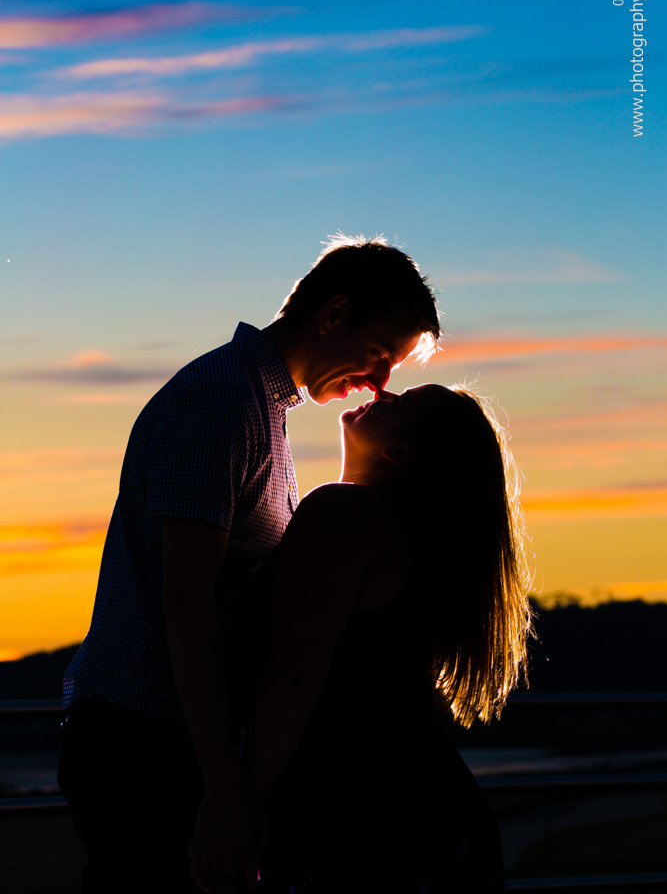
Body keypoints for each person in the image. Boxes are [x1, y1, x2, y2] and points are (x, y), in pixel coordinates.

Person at [57, 235, 440, 894]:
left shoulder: (261, 409)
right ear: (332, 313)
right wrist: (225, 784)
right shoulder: (219, 401)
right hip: (144, 743)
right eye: (378, 355)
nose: (378, 384)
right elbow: (187, 600)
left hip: (172, 742)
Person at [215, 382, 532, 893]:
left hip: (359, 814)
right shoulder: (410, 541)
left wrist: (238, 801)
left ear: (400, 451)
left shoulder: (345, 515)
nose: (383, 392)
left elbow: (294, 673)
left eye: (401, 402)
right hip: (420, 808)